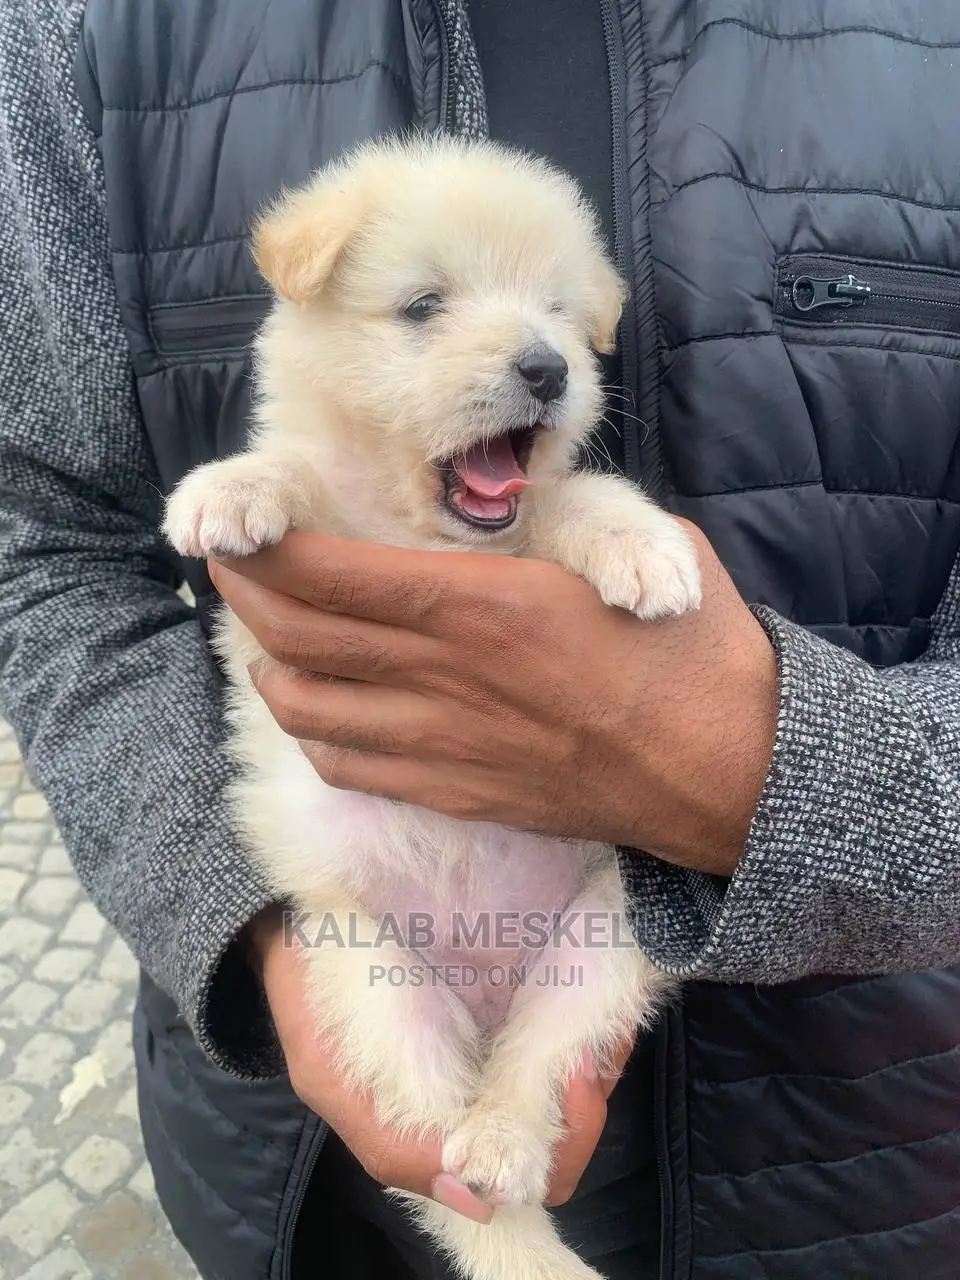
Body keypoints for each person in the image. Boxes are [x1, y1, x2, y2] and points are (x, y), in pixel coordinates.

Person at [2, 0, 960, 1276]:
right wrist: (239, 920)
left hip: (856, 1149)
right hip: (330, 1013)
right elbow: (48, 538)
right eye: (425, 306)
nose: (537, 353)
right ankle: (491, 1221)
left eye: (562, 317)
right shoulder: (91, 37)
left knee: (603, 939)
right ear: (313, 299)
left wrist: (766, 765)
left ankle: (514, 1121)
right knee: (400, 1027)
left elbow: (571, 504)